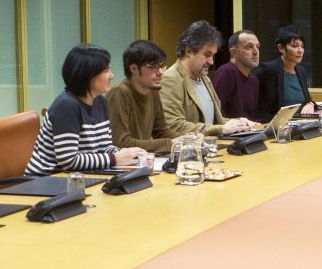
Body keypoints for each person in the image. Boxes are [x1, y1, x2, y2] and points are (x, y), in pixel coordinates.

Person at [26, 44, 148, 176]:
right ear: (87, 74)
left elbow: (104, 148)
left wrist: (130, 155)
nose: (112, 75)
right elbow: (69, 160)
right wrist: (116, 158)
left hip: (77, 178)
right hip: (46, 180)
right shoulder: (66, 106)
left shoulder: (100, 101)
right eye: (106, 71)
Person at [161, 21, 257, 137]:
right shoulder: (170, 79)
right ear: (189, 51)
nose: (211, 62)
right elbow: (174, 125)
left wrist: (237, 123)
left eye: (213, 55)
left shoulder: (205, 80)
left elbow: (215, 122)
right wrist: (221, 129)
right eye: (207, 55)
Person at [107, 40, 178, 154]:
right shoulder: (119, 92)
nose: (160, 72)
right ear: (134, 68)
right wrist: (170, 143)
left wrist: (187, 139)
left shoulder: (152, 90)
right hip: (123, 165)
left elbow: (161, 131)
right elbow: (121, 142)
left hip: (142, 160)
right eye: (153, 66)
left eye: (162, 66)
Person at [253, 25, 317, 122]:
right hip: (275, 128)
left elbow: (307, 100)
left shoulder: (301, 71)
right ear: (281, 48)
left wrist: (311, 104)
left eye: (302, 46)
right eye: (294, 46)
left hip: (301, 124)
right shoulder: (268, 70)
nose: (300, 50)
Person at [212, 29, 261, 120]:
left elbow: (251, 115)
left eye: (257, 47)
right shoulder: (226, 73)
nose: (256, 52)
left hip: (249, 131)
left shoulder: (254, 80)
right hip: (228, 132)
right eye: (249, 47)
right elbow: (215, 112)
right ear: (234, 52)